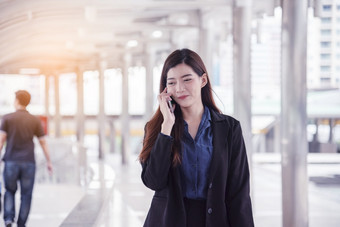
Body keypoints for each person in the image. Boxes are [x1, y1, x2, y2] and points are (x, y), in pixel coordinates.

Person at [139, 49, 254, 227]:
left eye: (187, 79)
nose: (179, 89)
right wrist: (167, 126)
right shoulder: (158, 129)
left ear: (203, 80)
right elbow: (154, 181)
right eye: (172, 82)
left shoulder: (230, 129)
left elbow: (239, 193)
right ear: (165, 89)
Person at [0, 90, 53, 227]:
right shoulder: (34, 120)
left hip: (11, 161)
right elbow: (43, 142)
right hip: (29, 162)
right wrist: (49, 161)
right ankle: (21, 224)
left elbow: (1, 141)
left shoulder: (7, 118)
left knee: (9, 191)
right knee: (26, 195)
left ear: (16, 100)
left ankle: (9, 219)